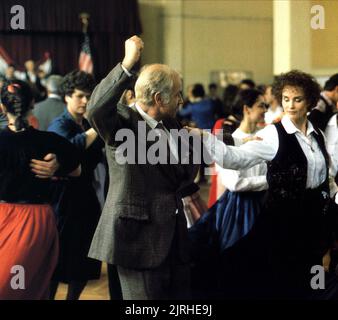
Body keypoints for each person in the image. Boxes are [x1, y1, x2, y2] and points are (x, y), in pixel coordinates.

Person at [189, 70, 338, 299]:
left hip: (313, 226)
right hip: (282, 225)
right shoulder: (273, 134)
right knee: (279, 284)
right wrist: (205, 137)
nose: (290, 106)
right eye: (286, 99)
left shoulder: (317, 134)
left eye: (297, 99)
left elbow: (324, 179)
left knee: (313, 282)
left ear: (309, 101)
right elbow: (234, 158)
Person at [86, 35, 199, 300]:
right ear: (159, 98)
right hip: (137, 239)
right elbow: (95, 110)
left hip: (175, 239)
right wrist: (127, 64)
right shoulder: (122, 122)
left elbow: (182, 178)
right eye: (177, 94)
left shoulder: (173, 125)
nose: (181, 100)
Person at [0, 80, 81, 299]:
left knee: (15, 286)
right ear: (33, 103)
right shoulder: (51, 142)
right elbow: (77, 170)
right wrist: (59, 165)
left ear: (1, 106)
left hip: (14, 217)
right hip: (34, 220)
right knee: (26, 285)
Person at [189, 89, 268, 298]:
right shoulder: (228, 140)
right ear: (246, 109)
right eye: (261, 105)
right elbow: (234, 183)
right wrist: (270, 182)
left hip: (261, 206)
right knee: (237, 263)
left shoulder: (264, 138)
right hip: (239, 210)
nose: (265, 110)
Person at [48, 70, 103, 300]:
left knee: (85, 260)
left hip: (86, 197)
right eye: (80, 96)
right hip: (64, 201)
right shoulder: (59, 124)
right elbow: (69, 151)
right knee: (57, 262)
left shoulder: (86, 123)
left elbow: (87, 160)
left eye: (89, 97)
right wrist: (96, 129)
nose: (86, 101)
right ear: (67, 97)